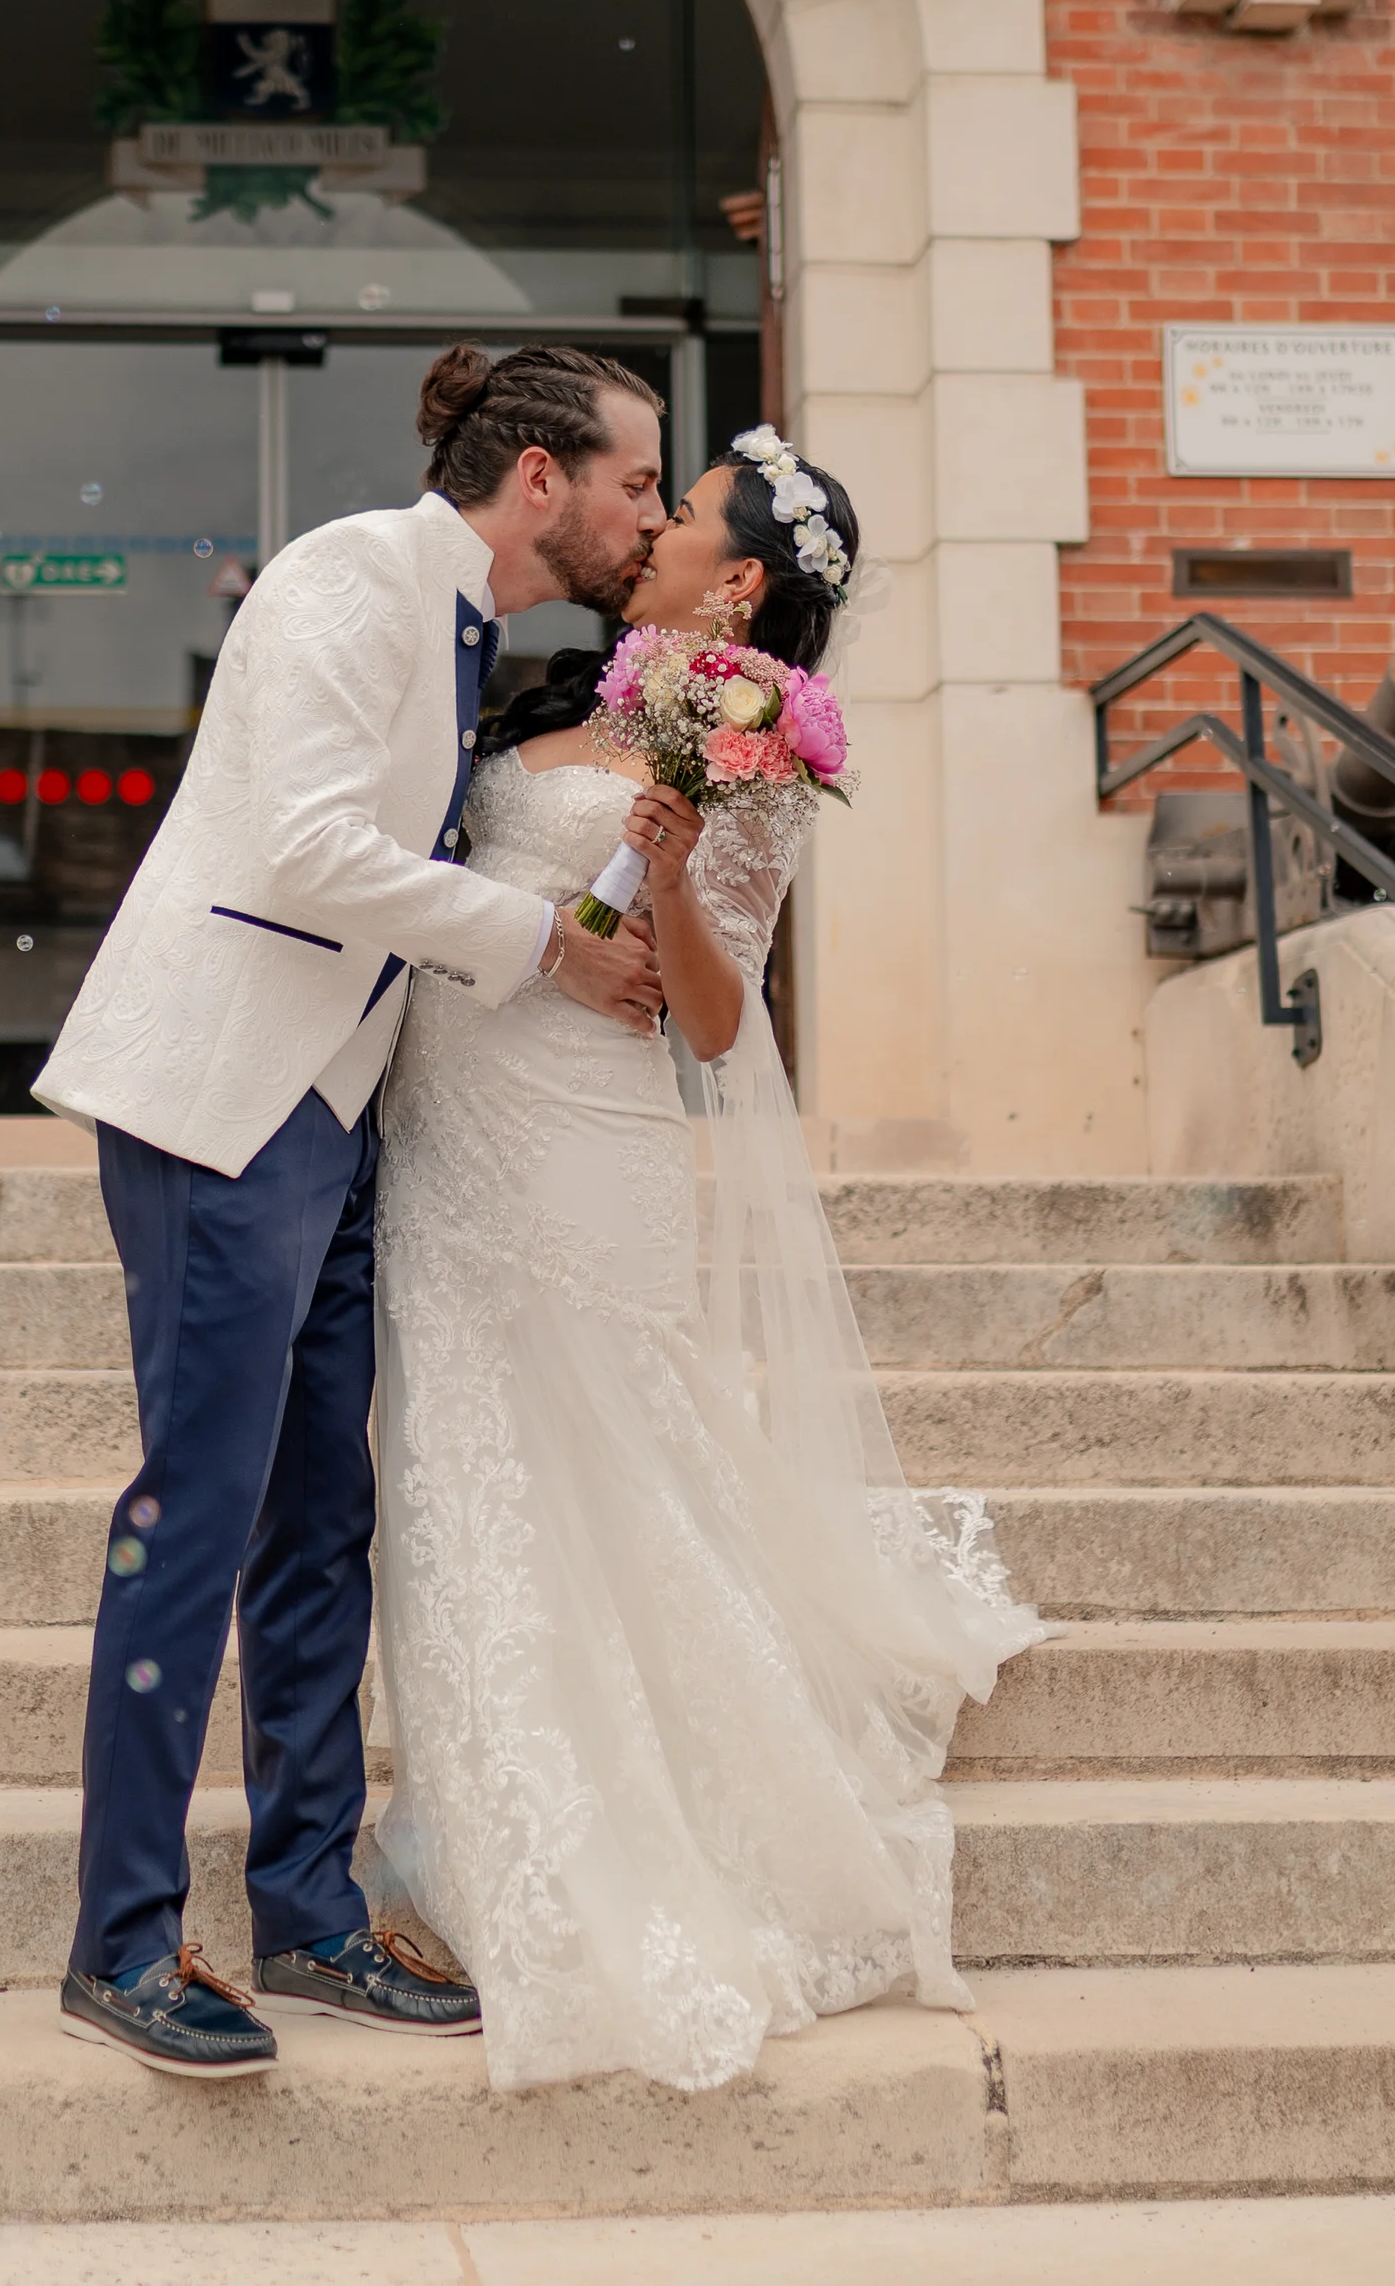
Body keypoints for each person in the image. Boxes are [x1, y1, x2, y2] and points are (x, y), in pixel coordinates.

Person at [373, 417, 1049, 2095]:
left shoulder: (746, 742)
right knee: (464, 1468)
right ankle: (478, 1790)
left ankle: (596, 1826)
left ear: (736, 577)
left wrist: (670, 871)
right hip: (448, 1135)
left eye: (680, 511)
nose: (653, 523)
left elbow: (721, 1012)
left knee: (604, 1463)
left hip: (587, 1145)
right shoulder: (551, 695)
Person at [33, 344, 670, 2077]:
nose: (653, 513)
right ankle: (122, 1944)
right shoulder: (344, 578)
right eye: (636, 479)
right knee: (204, 1503)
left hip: (334, 1112)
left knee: (323, 1521)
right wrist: (543, 940)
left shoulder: (468, 622)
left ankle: (307, 1911)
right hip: (222, 1099)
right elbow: (310, 847)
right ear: (539, 477)